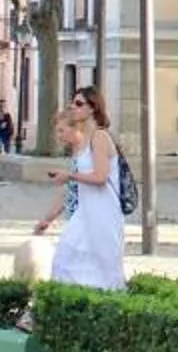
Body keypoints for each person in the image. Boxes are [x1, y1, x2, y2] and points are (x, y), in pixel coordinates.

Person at [32, 85, 127, 292]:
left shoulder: (100, 137)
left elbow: (100, 177)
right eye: (72, 102)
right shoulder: (81, 146)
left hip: (103, 213)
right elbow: (72, 189)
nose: (73, 106)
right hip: (85, 212)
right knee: (64, 261)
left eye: (79, 103)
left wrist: (69, 176)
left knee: (105, 269)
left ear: (93, 108)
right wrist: (48, 219)